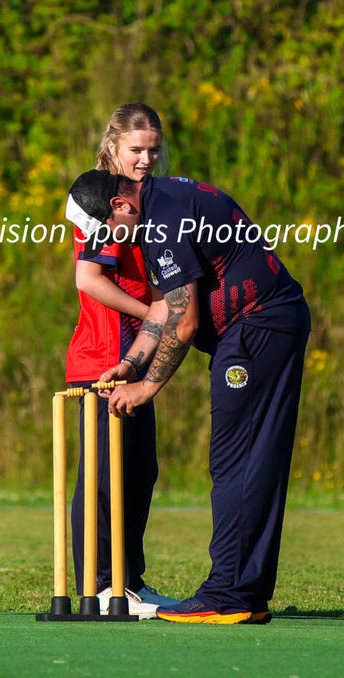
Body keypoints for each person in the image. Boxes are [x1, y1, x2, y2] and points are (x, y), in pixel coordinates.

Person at [65, 169, 311, 625]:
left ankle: (229, 594)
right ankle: (246, 593)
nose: (111, 241)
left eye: (107, 231)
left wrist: (148, 387)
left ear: (120, 205)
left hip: (256, 329)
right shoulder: (160, 202)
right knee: (246, 460)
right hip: (261, 328)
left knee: (237, 462)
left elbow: (185, 322)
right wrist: (133, 364)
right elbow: (165, 308)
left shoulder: (162, 220)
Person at [64, 104, 179, 619]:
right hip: (104, 357)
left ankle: (130, 583)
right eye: (136, 149)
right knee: (105, 478)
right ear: (113, 146)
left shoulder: (143, 201)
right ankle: (103, 585)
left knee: (140, 471)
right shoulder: (101, 200)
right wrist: (153, 312)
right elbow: (89, 279)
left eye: (154, 149)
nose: (146, 158)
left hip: (134, 357)